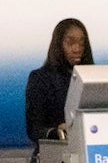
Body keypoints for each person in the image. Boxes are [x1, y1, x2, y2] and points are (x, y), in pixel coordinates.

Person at [25, 17, 92, 146]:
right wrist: (56, 132)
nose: (77, 49)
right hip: (54, 154)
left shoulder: (93, 78)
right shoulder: (40, 78)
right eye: (70, 43)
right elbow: (34, 129)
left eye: (82, 43)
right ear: (58, 44)